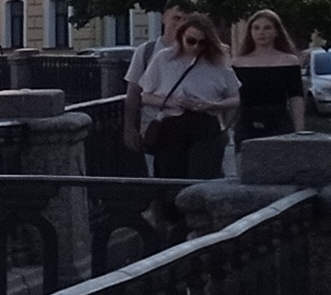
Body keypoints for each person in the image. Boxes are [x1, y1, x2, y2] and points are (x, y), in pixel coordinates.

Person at [131, 16, 239, 178]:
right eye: (191, 41)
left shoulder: (217, 62)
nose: (196, 47)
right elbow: (145, 96)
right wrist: (171, 102)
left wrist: (212, 105)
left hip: (206, 124)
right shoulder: (163, 59)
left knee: (202, 177)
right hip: (171, 125)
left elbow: (235, 98)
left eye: (202, 43)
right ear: (181, 37)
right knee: (171, 178)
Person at [230, 10, 311, 141]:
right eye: (256, 28)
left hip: (279, 125)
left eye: (267, 28)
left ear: (276, 31)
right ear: (250, 31)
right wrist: (225, 126)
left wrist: (299, 129)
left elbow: (296, 97)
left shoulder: (289, 61)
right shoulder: (238, 63)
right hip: (247, 126)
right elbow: (233, 98)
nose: (261, 32)